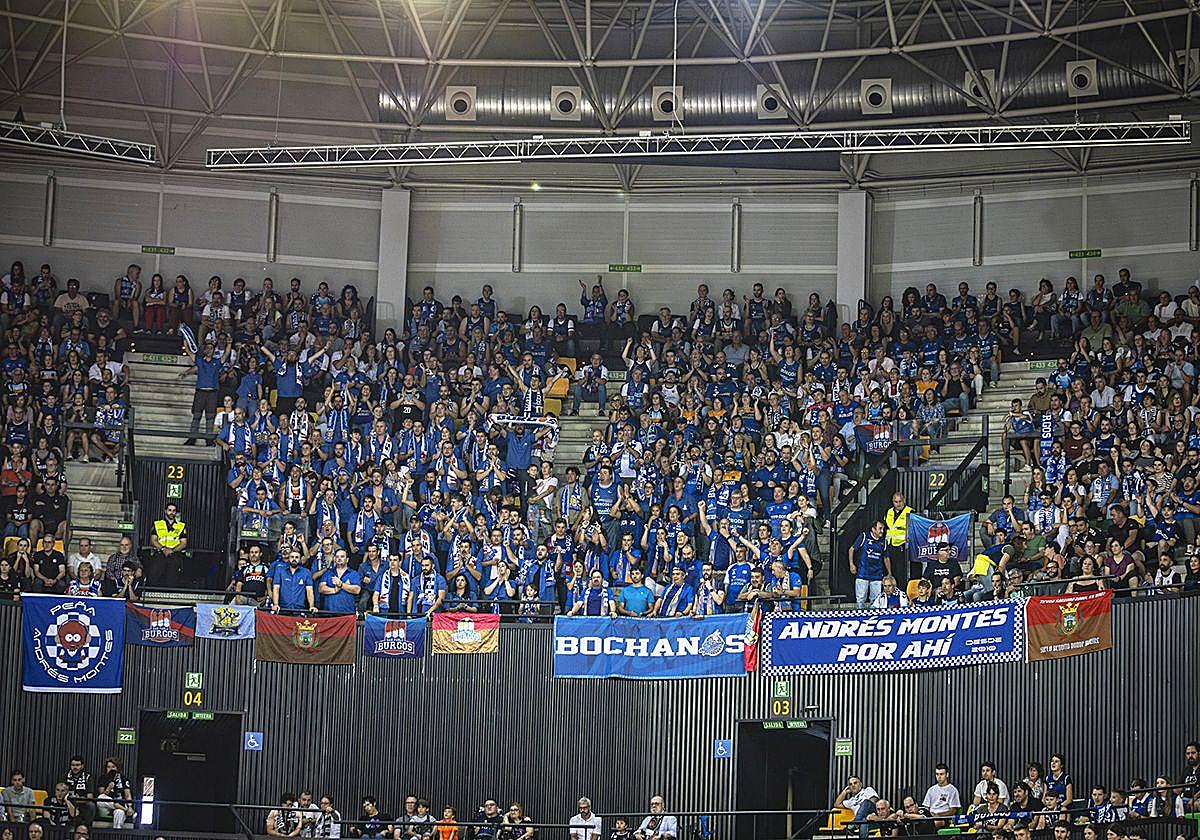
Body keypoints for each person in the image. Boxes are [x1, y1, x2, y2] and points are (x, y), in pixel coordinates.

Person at [147, 502, 188, 588]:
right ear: (165, 511)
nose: (171, 513)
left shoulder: (181, 526)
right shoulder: (157, 524)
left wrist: (171, 550)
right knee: (154, 578)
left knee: (172, 579)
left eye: (174, 511)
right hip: (160, 553)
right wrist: (163, 549)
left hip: (174, 554)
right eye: (169, 510)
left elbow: (183, 543)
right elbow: (153, 540)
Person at [850, 520, 889, 609]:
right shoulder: (864, 536)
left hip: (877, 575)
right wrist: (851, 564)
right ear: (873, 529)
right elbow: (851, 549)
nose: (882, 531)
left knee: (876, 601)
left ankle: (874, 620)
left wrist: (889, 573)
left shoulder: (884, 541)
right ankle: (860, 619)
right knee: (860, 600)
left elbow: (886, 557)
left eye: (883, 529)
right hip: (863, 573)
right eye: (880, 528)